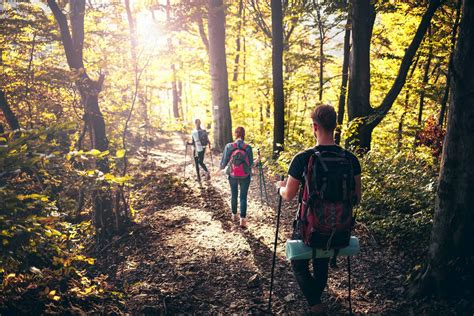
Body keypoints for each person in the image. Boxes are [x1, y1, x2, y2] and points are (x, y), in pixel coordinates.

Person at [276, 105, 362, 314]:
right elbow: (357, 198)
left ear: (315, 126)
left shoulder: (303, 158)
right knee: (321, 261)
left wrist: (279, 188)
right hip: (338, 226)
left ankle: (315, 305)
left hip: (309, 224)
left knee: (298, 264)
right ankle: (317, 301)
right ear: (334, 126)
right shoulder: (351, 159)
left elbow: (288, 195)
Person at [219, 126, 257, 228]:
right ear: (244, 134)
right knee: (243, 197)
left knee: (234, 194)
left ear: (235, 134)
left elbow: (224, 162)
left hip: (233, 174)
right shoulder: (248, 147)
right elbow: (250, 164)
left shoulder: (229, 146)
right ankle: (242, 220)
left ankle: (234, 215)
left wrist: (219, 169)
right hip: (245, 175)